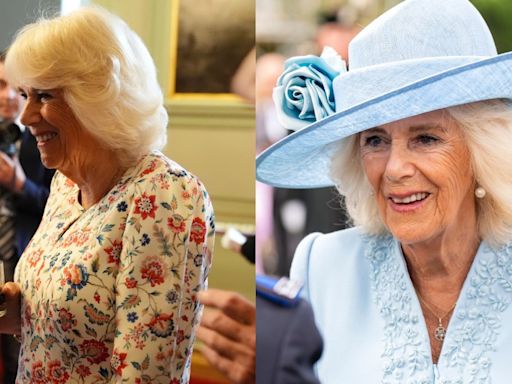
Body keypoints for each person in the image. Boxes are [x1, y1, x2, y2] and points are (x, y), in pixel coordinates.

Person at [256, 0, 512, 382]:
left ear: (483, 151)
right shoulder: (322, 265)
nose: (394, 169)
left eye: (425, 138)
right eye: (375, 140)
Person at [0, 6, 215, 383]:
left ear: (97, 97)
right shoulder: (67, 183)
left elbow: (146, 374)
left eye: (44, 96)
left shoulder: (166, 195)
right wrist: (15, 307)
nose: (27, 115)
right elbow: (71, 325)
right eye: (25, 95)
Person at [0, 50, 54, 384]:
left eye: (18, 89)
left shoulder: (45, 137)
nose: (7, 96)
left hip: (21, 259)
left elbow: (59, 206)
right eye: (1, 84)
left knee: (14, 354)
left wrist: (18, 183)